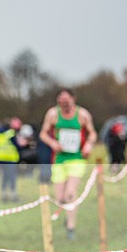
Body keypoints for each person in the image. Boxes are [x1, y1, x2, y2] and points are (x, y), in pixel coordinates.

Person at [39, 88, 97, 240]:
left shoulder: (82, 114)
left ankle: (71, 227)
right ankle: (66, 214)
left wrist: (89, 145)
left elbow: (93, 132)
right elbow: (43, 133)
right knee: (60, 197)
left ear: (73, 99)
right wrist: (52, 143)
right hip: (59, 159)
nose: (64, 105)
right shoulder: (52, 114)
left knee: (70, 193)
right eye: (61, 102)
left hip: (77, 158)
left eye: (66, 101)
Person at [0, 117, 21, 202]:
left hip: (1, 158)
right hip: (10, 159)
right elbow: (17, 145)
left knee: (4, 177)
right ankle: (13, 194)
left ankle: (4, 193)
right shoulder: (11, 134)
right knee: (12, 177)